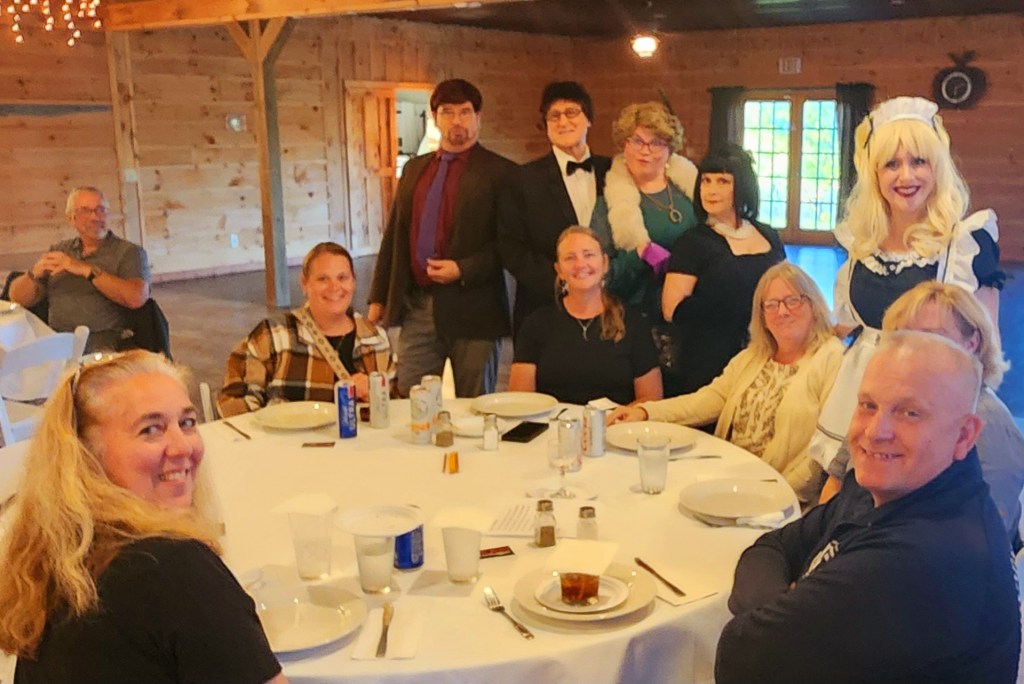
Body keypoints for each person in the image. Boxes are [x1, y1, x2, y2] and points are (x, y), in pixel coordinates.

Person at [715, 332, 1020, 684]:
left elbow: (741, 656)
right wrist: (783, 613)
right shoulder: (882, 485)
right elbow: (772, 547)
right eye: (868, 405)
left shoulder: (927, 557)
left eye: (910, 413)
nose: (876, 432)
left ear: (965, 435)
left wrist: (780, 618)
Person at [0, 350, 286, 684]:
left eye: (187, 423)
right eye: (151, 429)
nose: (182, 447)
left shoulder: (57, 557)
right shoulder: (172, 569)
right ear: (87, 453)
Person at [811, 96, 1004, 473]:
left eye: (919, 161)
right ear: (874, 174)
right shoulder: (861, 244)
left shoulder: (966, 245)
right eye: (891, 164)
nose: (905, 176)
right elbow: (850, 329)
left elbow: (987, 352)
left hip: (927, 409)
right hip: (862, 399)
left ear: (938, 167)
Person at [610, 263, 841, 502]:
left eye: (793, 301)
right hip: (730, 481)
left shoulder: (831, 358)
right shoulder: (753, 356)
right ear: (761, 316)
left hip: (781, 496)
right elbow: (708, 400)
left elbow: (825, 451)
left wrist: (780, 494)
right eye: (771, 305)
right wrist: (645, 412)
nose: (782, 311)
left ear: (814, 305)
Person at [820, 280, 1024, 547]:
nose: (911, 352)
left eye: (929, 337)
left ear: (972, 343)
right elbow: (836, 482)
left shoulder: (992, 425)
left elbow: (977, 540)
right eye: (901, 337)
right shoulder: (883, 403)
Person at [368, 78, 515, 397]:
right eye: (447, 112)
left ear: (478, 117)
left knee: (476, 405)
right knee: (410, 400)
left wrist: (462, 269)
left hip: (475, 310)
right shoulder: (414, 170)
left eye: (465, 112)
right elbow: (394, 235)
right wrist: (379, 297)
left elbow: (510, 245)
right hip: (417, 306)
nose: (456, 120)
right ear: (435, 117)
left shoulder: (502, 173)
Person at [589, 101, 699, 396]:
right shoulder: (608, 206)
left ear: (670, 148)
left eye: (656, 142)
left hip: (689, 315)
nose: (645, 151)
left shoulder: (692, 193)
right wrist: (638, 257)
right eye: (636, 141)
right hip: (636, 320)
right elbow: (602, 275)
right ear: (623, 145)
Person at [661, 145, 786, 395]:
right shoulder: (692, 242)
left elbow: (786, 287)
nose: (711, 190)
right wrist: (737, 306)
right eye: (705, 181)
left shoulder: (768, 235)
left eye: (722, 181)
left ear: (742, 186)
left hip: (766, 354)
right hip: (710, 361)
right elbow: (671, 310)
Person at [218, 242, 394, 417]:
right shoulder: (273, 336)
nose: (334, 287)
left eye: (342, 278)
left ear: (353, 282)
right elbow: (234, 405)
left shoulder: (377, 340)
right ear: (304, 283)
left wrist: (375, 394)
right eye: (323, 279)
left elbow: (396, 409)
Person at [498, 81, 611, 336]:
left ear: (589, 119)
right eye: (554, 116)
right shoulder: (522, 180)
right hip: (544, 308)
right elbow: (511, 248)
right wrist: (564, 282)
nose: (563, 122)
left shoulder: (613, 171)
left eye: (572, 112)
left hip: (608, 305)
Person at [509, 226, 661, 406]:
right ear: (559, 270)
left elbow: (651, 399)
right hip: (552, 423)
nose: (580, 264)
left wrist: (612, 420)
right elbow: (520, 401)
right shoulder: (536, 324)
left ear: (605, 263)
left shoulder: (634, 323)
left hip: (616, 422)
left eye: (588, 255)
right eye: (570, 258)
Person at [7, 186, 151, 353]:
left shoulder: (128, 252)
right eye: (85, 211)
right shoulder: (60, 250)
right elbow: (17, 299)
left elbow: (136, 298)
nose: (95, 217)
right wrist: (33, 274)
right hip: (56, 339)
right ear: (71, 218)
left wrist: (87, 270)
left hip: (103, 342)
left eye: (101, 209)